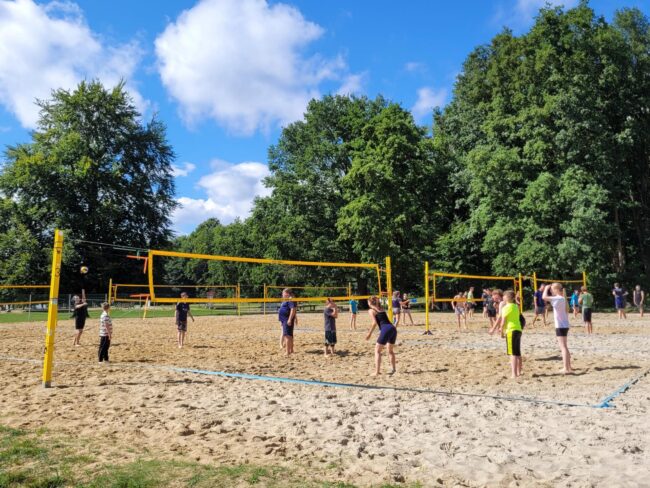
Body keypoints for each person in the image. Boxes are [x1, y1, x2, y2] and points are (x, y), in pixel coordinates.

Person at [490, 290, 522, 378]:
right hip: (518, 330)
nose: (502, 297)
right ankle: (519, 372)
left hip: (511, 330)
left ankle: (514, 374)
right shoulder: (516, 306)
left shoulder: (506, 307)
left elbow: (503, 321)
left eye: (504, 296)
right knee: (517, 352)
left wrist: (500, 329)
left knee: (512, 354)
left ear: (507, 298)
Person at [543, 283, 572, 374]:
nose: (551, 291)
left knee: (563, 347)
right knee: (565, 347)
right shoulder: (562, 298)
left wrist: (546, 288)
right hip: (564, 325)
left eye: (552, 289)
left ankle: (566, 368)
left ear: (556, 289)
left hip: (560, 326)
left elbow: (544, 297)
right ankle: (569, 367)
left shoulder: (558, 298)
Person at [365, 296, 396, 376]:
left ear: (370, 302)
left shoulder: (371, 310)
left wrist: (369, 334)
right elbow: (383, 320)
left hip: (386, 329)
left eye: (368, 302)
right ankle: (393, 369)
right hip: (392, 328)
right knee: (390, 351)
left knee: (377, 351)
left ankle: (377, 372)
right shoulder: (381, 308)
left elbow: (374, 323)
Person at [278, 288, 297, 356]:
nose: (282, 294)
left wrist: (289, 319)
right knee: (289, 335)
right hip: (284, 319)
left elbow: (293, 309)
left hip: (287, 319)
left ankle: (287, 351)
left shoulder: (290, 299)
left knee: (287, 336)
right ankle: (291, 350)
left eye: (283, 293)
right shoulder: (286, 300)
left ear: (287, 293)